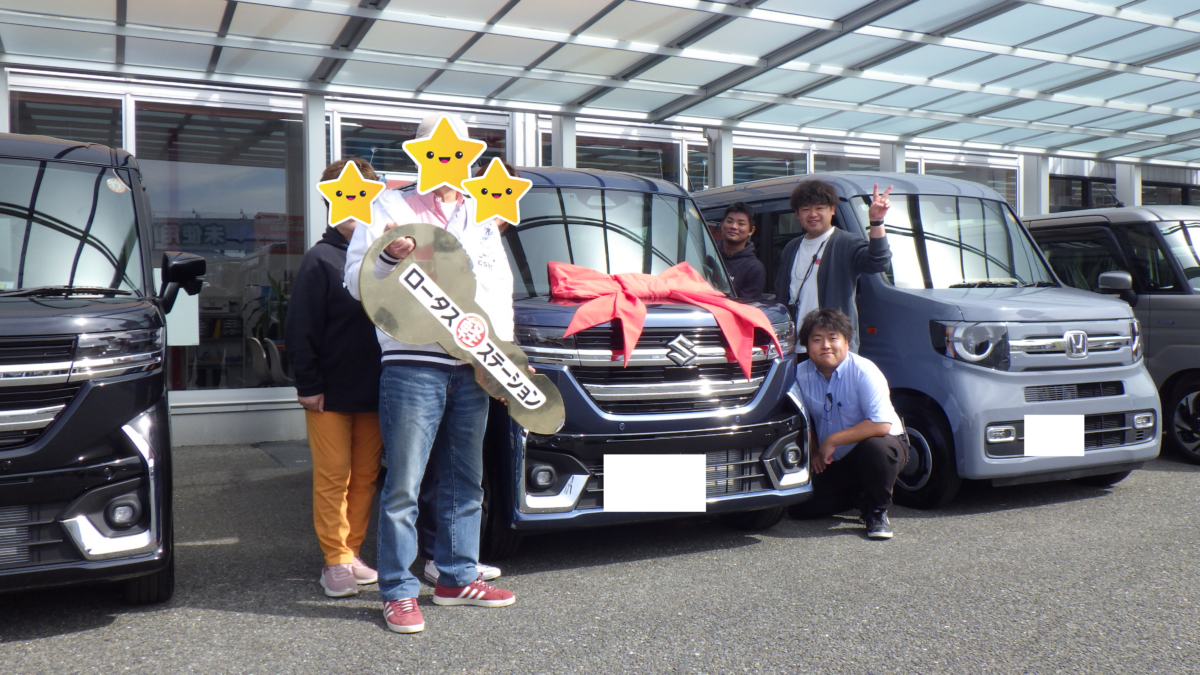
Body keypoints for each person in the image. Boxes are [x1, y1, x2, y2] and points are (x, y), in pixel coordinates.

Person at [344, 113, 516, 635]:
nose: (448, 161)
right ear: (418, 156)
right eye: (437, 152)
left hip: (473, 363)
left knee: (466, 480)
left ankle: (456, 577)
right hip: (412, 360)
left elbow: (498, 290)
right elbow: (354, 280)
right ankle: (398, 590)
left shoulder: (481, 212)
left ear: (471, 158)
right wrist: (386, 257)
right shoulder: (389, 207)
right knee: (404, 484)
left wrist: (503, 359)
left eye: (458, 153)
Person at [285, 157, 384, 598]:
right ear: (330, 201)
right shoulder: (319, 259)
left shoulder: (385, 258)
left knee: (364, 477)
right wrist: (307, 385)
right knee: (333, 477)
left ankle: (352, 551)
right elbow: (300, 328)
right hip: (328, 393)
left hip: (377, 390)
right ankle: (335, 560)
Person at [787, 308, 907, 539]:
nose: (826, 346)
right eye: (817, 340)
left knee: (876, 449)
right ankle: (862, 493)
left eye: (833, 338)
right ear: (807, 346)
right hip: (834, 458)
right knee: (799, 508)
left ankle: (876, 511)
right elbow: (802, 419)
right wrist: (814, 451)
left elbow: (880, 425)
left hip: (880, 445)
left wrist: (832, 440)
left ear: (846, 342)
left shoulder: (864, 370)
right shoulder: (798, 374)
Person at [773, 179, 893, 354]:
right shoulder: (791, 247)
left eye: (819, 208)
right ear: (797, 214)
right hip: (794, 346)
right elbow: (782, 293)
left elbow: (879, 262)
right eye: (806, 209)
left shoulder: (847, 242)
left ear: (832, 210)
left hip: (832, 347)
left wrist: (876, 221)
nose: (813, 214)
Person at [717, 202, 766, 300]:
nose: (734, 226)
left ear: (751, 230)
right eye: (729, 221)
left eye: (741, 224)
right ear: (722, 224)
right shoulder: (707, 254)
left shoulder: (754, 268)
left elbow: (744, 305)